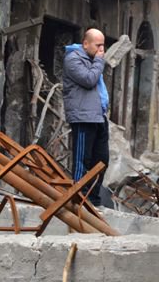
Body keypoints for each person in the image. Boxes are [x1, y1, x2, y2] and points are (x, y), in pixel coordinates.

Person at [62, 28, 109, 207]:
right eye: (98, 45)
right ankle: (79, 197)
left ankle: (93, 199)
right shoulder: (73, 59)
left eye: (103, 46)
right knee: (83, 159)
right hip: (83, 117)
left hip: (98, 116)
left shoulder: (92, 59)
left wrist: (97, 60)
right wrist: (99, 61)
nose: (101, 50)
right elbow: (89, 80)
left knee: (102, 160)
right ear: (85, 44)